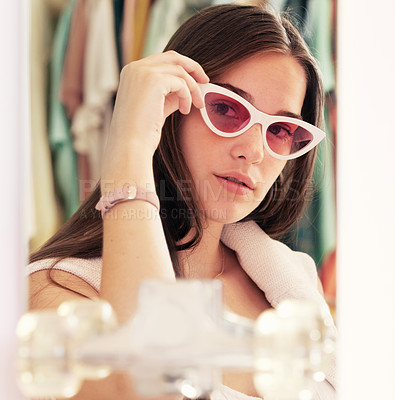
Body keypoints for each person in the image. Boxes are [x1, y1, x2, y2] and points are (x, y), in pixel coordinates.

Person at [27, 3, 336, 400]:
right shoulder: (57, 292)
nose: (253, 151)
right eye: (226, 108)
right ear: (170, 109)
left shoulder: (295, 278)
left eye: (280, 129)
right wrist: (128, 149)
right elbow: (144, 388)